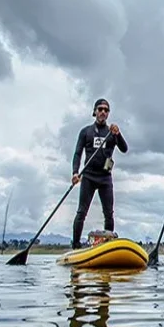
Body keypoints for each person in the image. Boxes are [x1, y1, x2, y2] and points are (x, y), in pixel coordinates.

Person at [71, 98, 128, 249]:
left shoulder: (112, 132)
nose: (103, 112)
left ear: (108, 113)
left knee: (109, 213)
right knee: (82, 212)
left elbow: (124, 149)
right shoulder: (86, 132)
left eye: (106, 110)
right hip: (88, 176)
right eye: (100, 109)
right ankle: (75, 245)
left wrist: (118, 134)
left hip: (105, 178)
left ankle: (108, 245)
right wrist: (75, 172)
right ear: (95, 111)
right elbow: (77, 154)